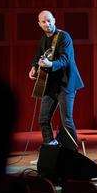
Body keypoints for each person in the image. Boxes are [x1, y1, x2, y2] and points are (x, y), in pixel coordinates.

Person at [29, 10, 84, 151]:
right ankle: (51, 149)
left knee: (66, 120)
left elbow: (65, 60)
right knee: (43, 119)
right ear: (39, 24)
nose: (47, 24)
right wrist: (34, 68)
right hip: (50, 84)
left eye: (49, 20)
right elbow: (37, 57)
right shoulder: (43, 39)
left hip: (66, 84)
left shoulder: (64, 37)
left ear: (54, 20)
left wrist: (50, 64)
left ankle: (72, 152)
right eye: (43, 22)